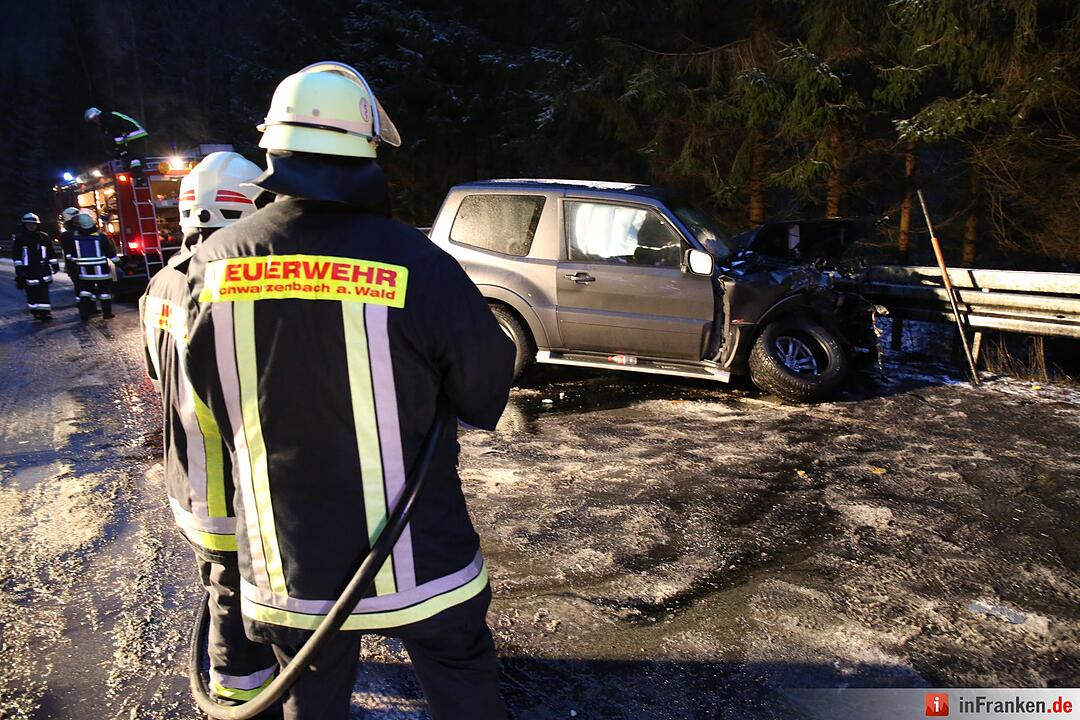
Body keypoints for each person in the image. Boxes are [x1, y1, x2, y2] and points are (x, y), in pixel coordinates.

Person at [184, 62, 516, 720]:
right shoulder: (419, 264)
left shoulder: (212, 265)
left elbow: (205, 411)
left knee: (313, 700)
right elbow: (484, 394)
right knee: (463, 685)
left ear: (272, 149)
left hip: (291, 568)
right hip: (424, 562)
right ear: (366, 152)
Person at [139, 151, 279, 711]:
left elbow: (156, 373)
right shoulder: (234, 284)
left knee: (219, 583)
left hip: (187, 484)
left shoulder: (159, 285)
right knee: (234, 598)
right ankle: (238, 694)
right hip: (234, 492)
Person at [68, 210, 119, 320]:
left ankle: (84, 313)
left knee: (85, 292)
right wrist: (118, 262)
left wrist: (76, 262)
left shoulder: (75, 237)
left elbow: (71, 255)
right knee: (104, 292)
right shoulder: (101, 236)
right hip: (101, 270)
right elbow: (109, 252)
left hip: (84, 271)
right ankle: (107, 313)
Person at [11, 212, 59, 321]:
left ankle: (45, 313)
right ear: (24, 225)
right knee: (32, 293)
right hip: (28, 271)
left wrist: (55, 265)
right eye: (29, 224)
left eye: (33, 224)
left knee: (43, 292)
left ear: (37, 225)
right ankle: (35, 311)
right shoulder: (20, 238)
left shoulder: (43, 237)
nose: (31, 226)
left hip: (43, 269)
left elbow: (51, 252)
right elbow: (17, 256)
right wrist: (20, 271)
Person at [84, 106, 149, 159]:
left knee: (132, 157)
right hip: (133, 136)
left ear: (97, 116)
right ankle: (137, 170)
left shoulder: (109, 119)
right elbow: (115, 137)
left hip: (135, 134)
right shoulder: (106, 120)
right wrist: (118, 150)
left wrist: (120, 149)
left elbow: (117, 135)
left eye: (94, 119)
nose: (95, 122)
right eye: (92, 121)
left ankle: (138, 173)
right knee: (128, 155)